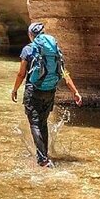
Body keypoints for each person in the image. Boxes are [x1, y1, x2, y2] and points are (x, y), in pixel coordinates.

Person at [11, 22, 82, 168]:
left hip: (34, 90)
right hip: (50, 91)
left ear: (31, 35)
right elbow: (64, 73)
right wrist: (75, 92)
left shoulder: (28, 49)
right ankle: (44, 155)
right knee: (42, 122)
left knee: (35, 124)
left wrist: (15, 89)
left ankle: (43, 159)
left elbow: (21, 73)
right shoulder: (54, 50)